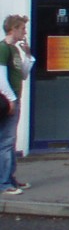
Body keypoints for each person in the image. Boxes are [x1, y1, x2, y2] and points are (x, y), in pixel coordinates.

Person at [1, 15, 35, 193]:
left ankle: (10, 178)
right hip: (7, 102)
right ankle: (4, 183)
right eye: (22, 28)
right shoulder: (3, 48)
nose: (25, 32)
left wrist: (28, 55)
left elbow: (22, 74)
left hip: (13, 100)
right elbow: (0, 77)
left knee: (10, 141)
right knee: (6, 141)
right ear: (13, 29)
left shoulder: (14, 50)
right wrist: (11, 99)